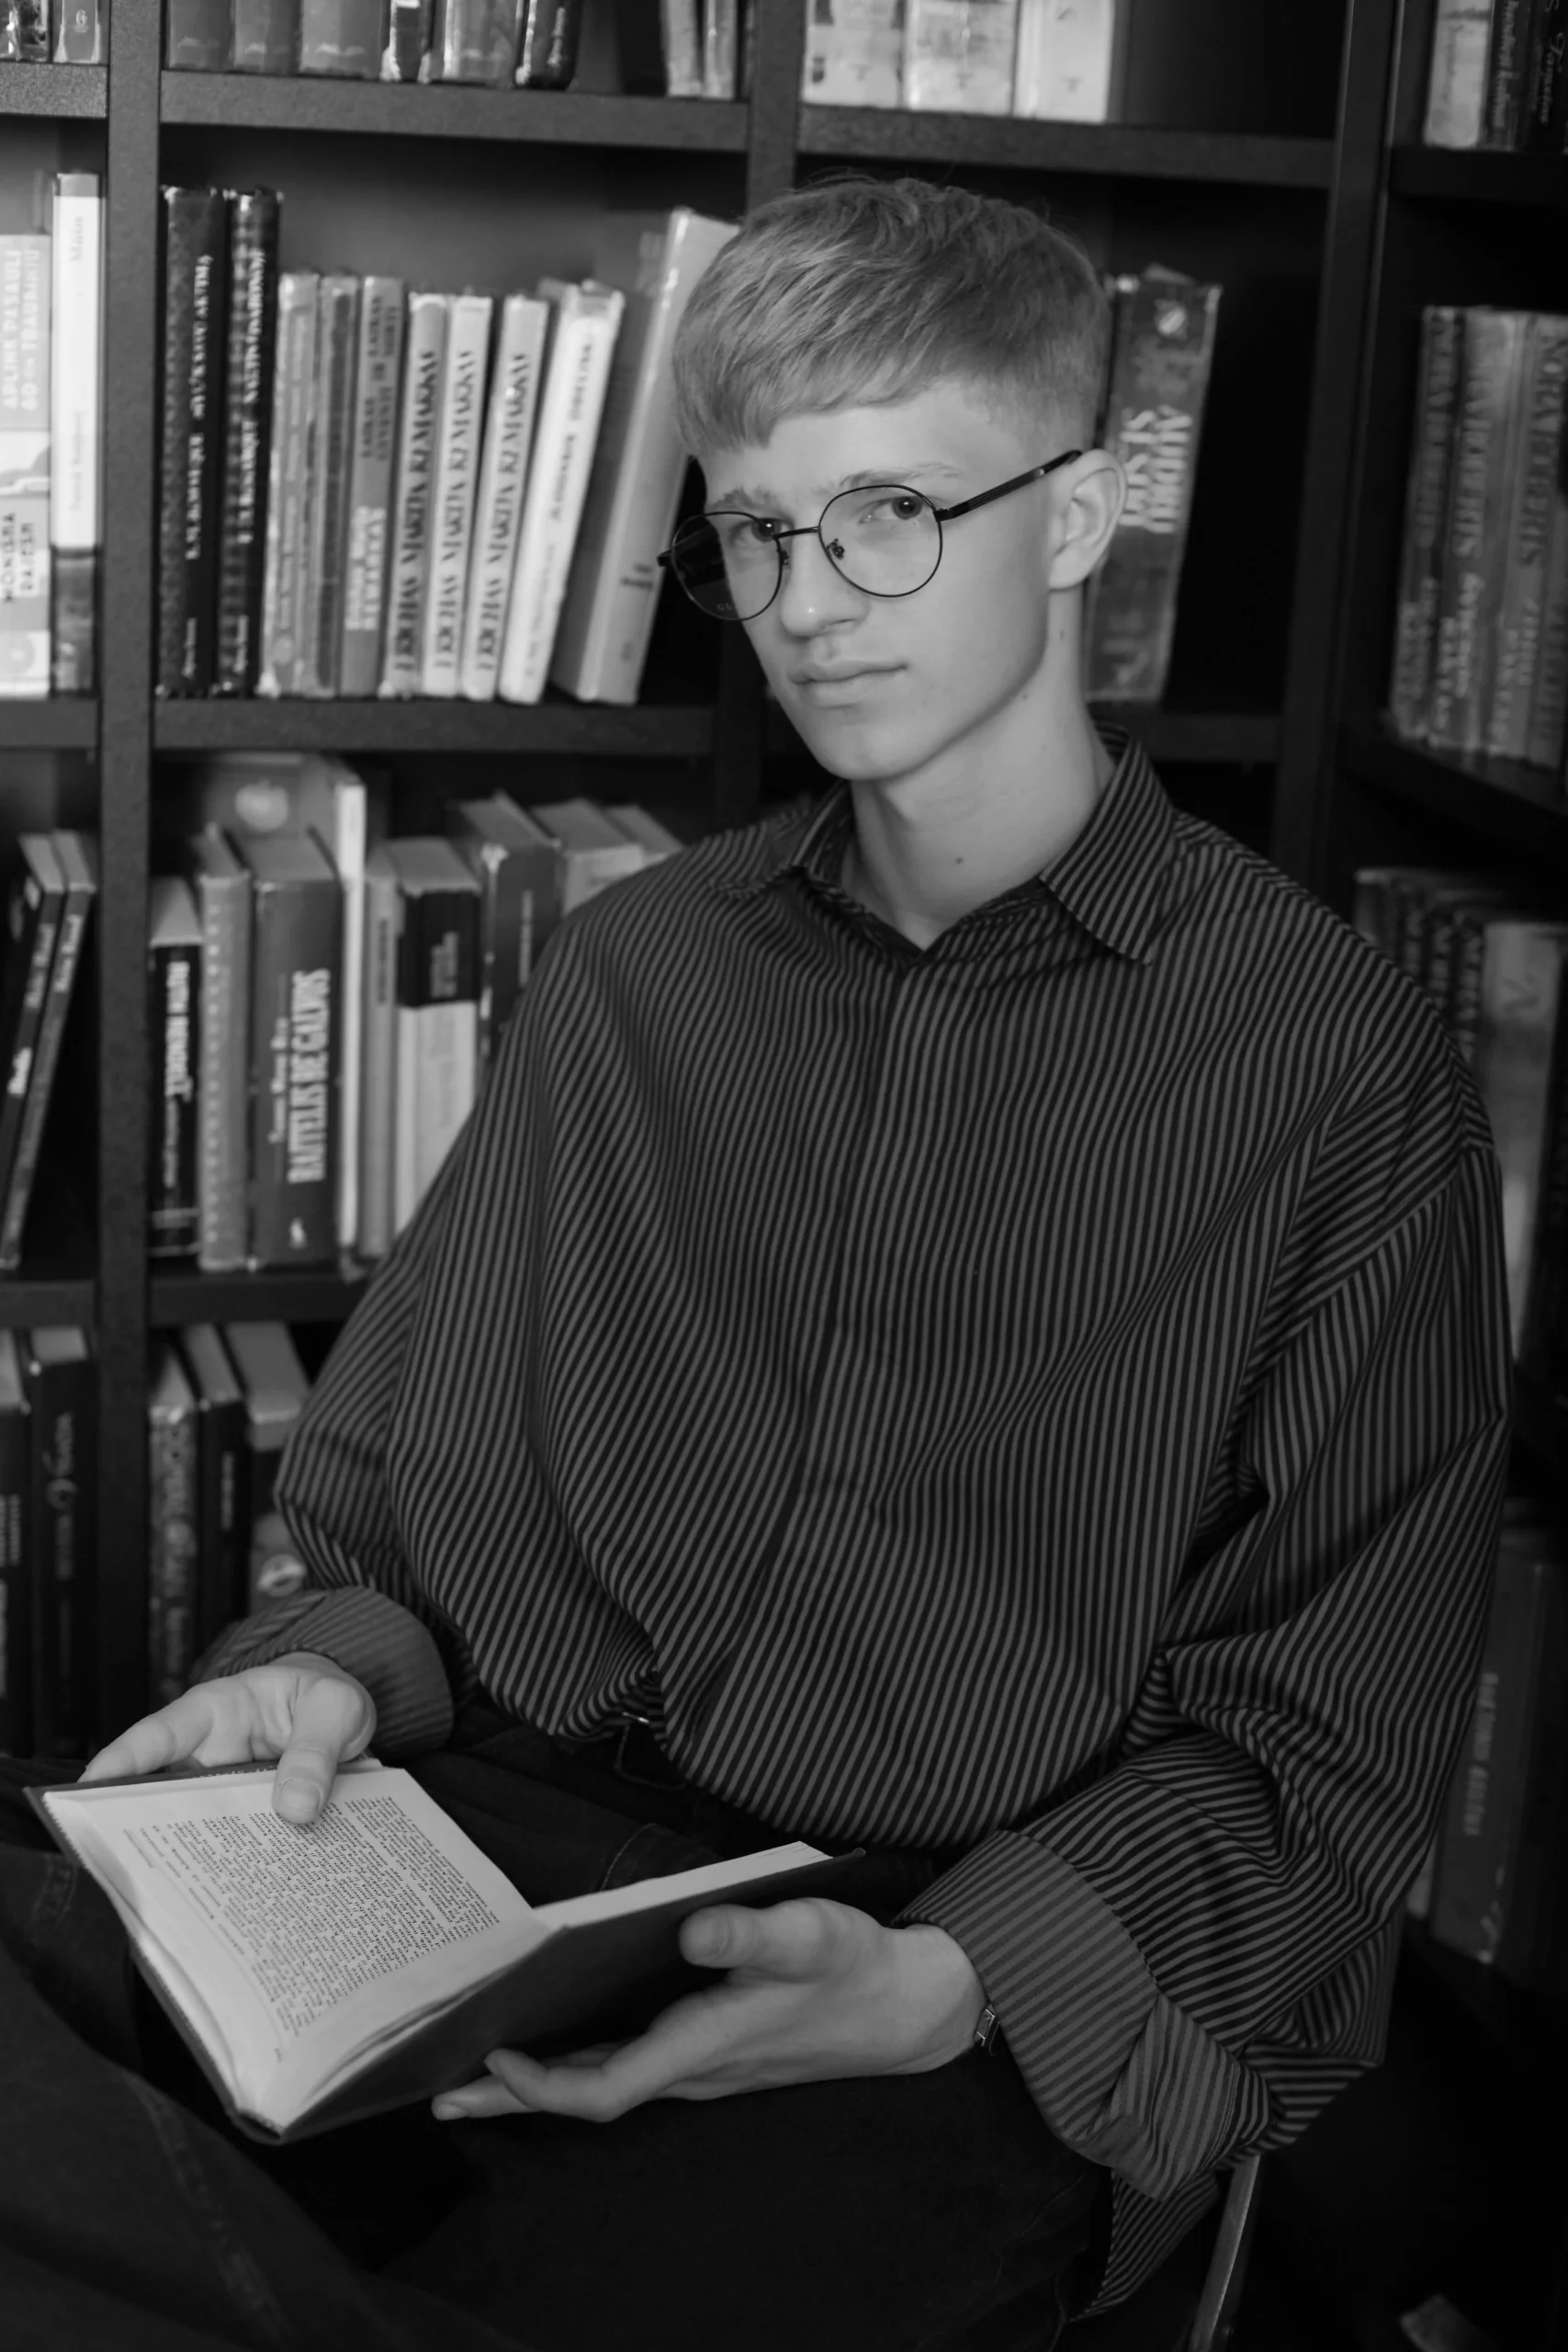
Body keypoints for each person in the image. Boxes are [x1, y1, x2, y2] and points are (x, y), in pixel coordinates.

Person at [17, 177, 1512, 2351]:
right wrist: (327, 1668)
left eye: (890, 512)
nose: (809, 604)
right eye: (755, 532)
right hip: (486, 1857)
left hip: (937, 1957)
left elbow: (1322, 1733)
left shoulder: (1333, 1066)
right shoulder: (635, 970)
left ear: (1077, 511)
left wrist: (952, 1973)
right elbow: (394, 1515)